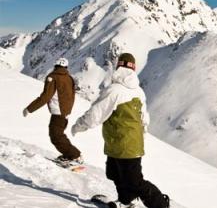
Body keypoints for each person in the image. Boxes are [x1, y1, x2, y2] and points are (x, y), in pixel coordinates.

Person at [71, 53, 170, 208]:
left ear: (118, 66)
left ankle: (161, 205)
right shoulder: (138, 91)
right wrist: (140, 136)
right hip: (121, 143)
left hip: (125, 145)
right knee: (115, 174)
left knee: (134, 181)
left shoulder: (114, 90)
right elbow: (145, 118)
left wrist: (78, 126)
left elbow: (95, 114)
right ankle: (126, 200)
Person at [23, 57, 83, 166]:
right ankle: (69, 155)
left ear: (55, 66)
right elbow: (71, 95)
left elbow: (45, 97)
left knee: (56, 136)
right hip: (65, 113)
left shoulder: (52, 77)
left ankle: (74, 155)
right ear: (66, 67)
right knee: (59, 135)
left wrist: (29, 109)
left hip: (58, 112)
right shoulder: (69, 78)